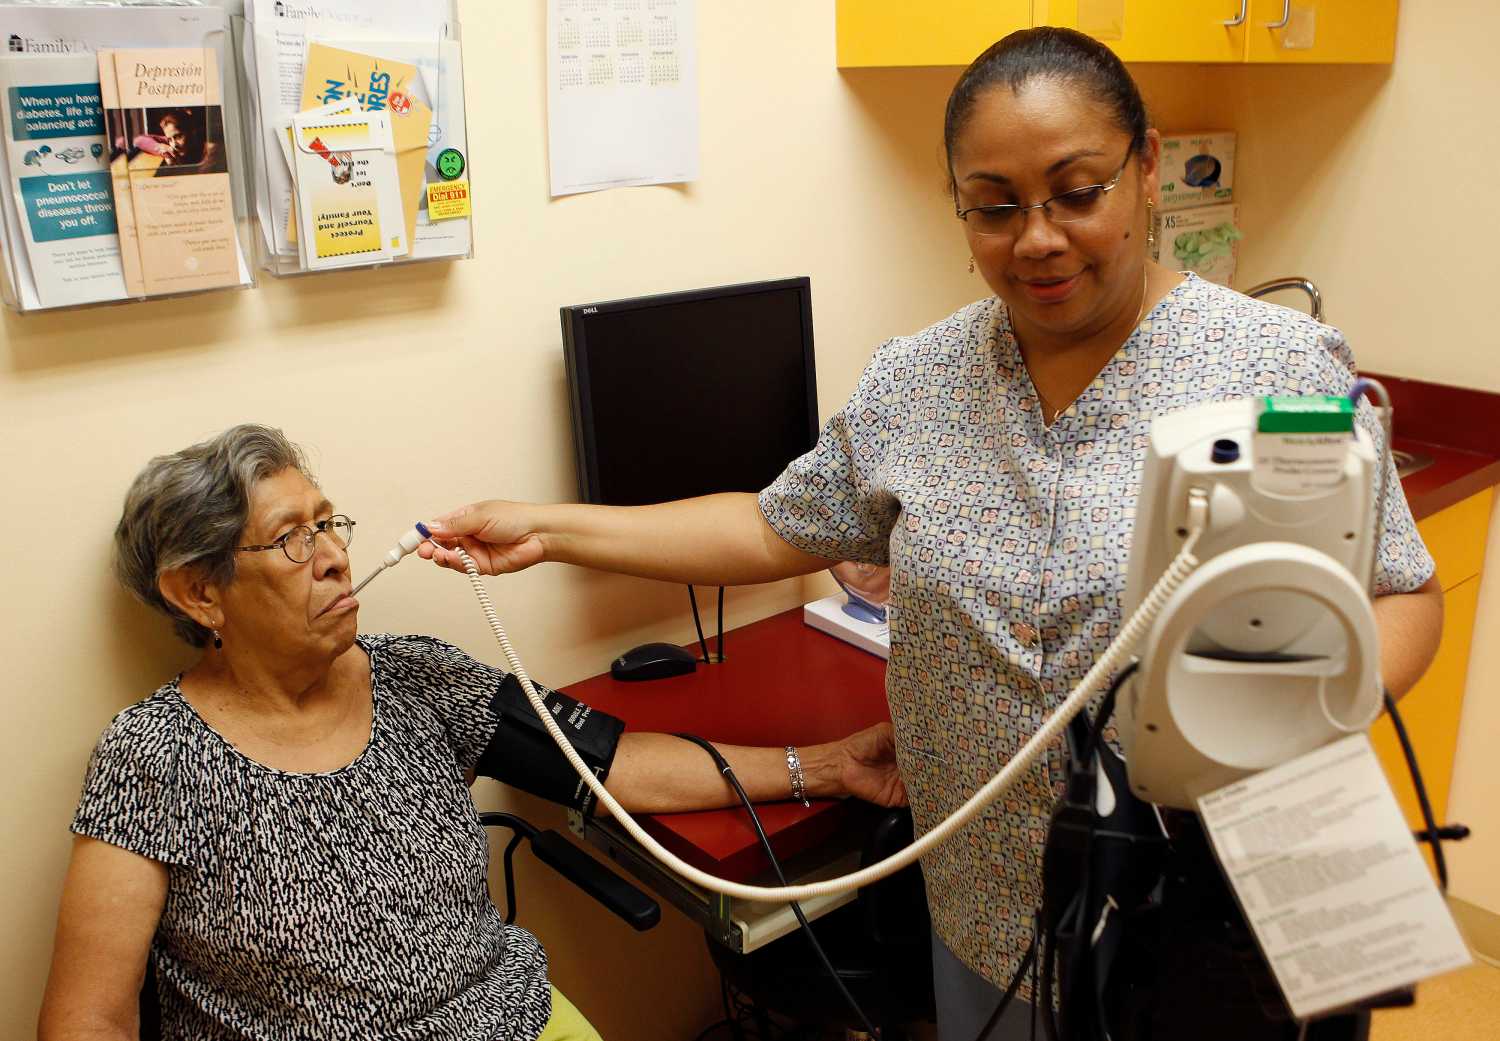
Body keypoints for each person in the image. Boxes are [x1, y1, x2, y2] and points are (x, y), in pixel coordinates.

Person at [418, 27, 1442, 1041]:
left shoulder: (1274, 367)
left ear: (1145, 170)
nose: (1036, 238)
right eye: (994, 205)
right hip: (990, 908)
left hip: (1208, 907)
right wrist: (548, 530)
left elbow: (1402, 593)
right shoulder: (918, 383)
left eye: (1076, 192)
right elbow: (770, 528)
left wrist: (1280, 713)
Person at [37, 424, 905, 1041]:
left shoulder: (416, 675)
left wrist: (826, 765)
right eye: (291, 539)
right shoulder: (154, 757)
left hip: (512, 1018)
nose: (335, 554)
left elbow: (614, 764)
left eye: (328, 522)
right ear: (199, 593)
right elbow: (89, 1018)